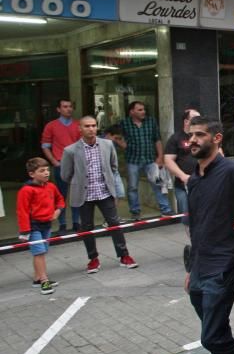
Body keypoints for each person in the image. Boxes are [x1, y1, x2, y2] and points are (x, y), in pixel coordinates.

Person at [181, 116, 234, 354]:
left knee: (212, 335)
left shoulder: (233, 171)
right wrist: (191, 268)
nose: (192, 140)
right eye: (190, 135)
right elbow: (196, 226)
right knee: (217, 334)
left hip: (226, 265)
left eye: (200, 134)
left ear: (217, 138)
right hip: (201, 265)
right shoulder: (194, 179)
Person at [61, 116, 135, 273]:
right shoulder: (71, 150)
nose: (91, 129)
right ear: (80, 129)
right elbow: (65, 175)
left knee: (114, 224)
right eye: (87, 126)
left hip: (104, 192)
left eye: (94, 125)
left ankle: (124, 255)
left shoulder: (107, 145)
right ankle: (93, 259)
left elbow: (113, 166)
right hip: (84, 194)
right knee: (86, 227)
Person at [16, 157, 63, 294]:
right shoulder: (26, 190)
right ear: (32, 174)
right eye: (42, 171)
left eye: (47, 170)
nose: (46, 173)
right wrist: (25, 231)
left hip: (46, 224)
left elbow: (60, 199)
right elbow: (22, 211)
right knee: (39, 252)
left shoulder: (51, 187)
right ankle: (44, 280)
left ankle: (37, 278)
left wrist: (58, 211)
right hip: (33, 226)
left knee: (42, 252)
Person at [120, 101, 171, 220]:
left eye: (143, 109)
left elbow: (157, 139)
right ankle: (135, 212)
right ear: (131, 111)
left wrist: (160, 157)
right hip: (133, 160)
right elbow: (118, 139)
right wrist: (122, 144)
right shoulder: (124, 123)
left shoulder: (150, 121)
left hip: (150, 159)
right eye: (140, 110)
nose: (143, 112)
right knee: (132, 187)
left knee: (158, 184)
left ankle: (166, 210)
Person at [40, 98, 81, 232]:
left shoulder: (78, 125)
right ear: (58, 109)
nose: (68, 109)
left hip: (76, 165)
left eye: (70, 106)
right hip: (60, 163)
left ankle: (76, 222)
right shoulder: (51, 126)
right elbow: (45, 145)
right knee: (60, 196)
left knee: (77, 194)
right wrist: (54, 162)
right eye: (65, 106)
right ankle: (62, 223)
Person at [164, 108, 200, 221]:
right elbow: (168, 160)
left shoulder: (203, 136)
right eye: (195, 119)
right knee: (186, 218)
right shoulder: (176, 138)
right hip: (183, 185)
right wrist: (183, 176)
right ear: (186, 121)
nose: (199, 121)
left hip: (202, 182)